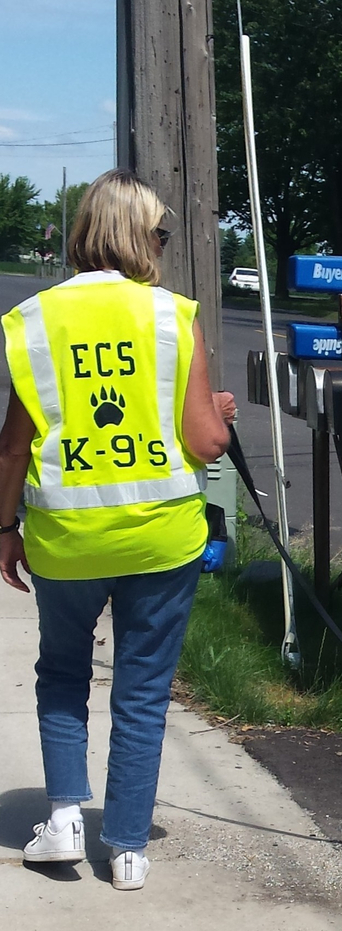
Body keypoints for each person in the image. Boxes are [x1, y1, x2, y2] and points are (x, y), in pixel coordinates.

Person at [0, 168, 235, 891]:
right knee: (142, 688)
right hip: (160, 537)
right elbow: (204, 445)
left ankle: (65, 817)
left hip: (67, 540)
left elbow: (13, 445)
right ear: (141, 236)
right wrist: (219, 414)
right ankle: (128, 847)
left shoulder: (35, 319)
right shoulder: (172, 316)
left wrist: (4, 527)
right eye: (160, 232)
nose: (164, 242)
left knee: (64, 675)